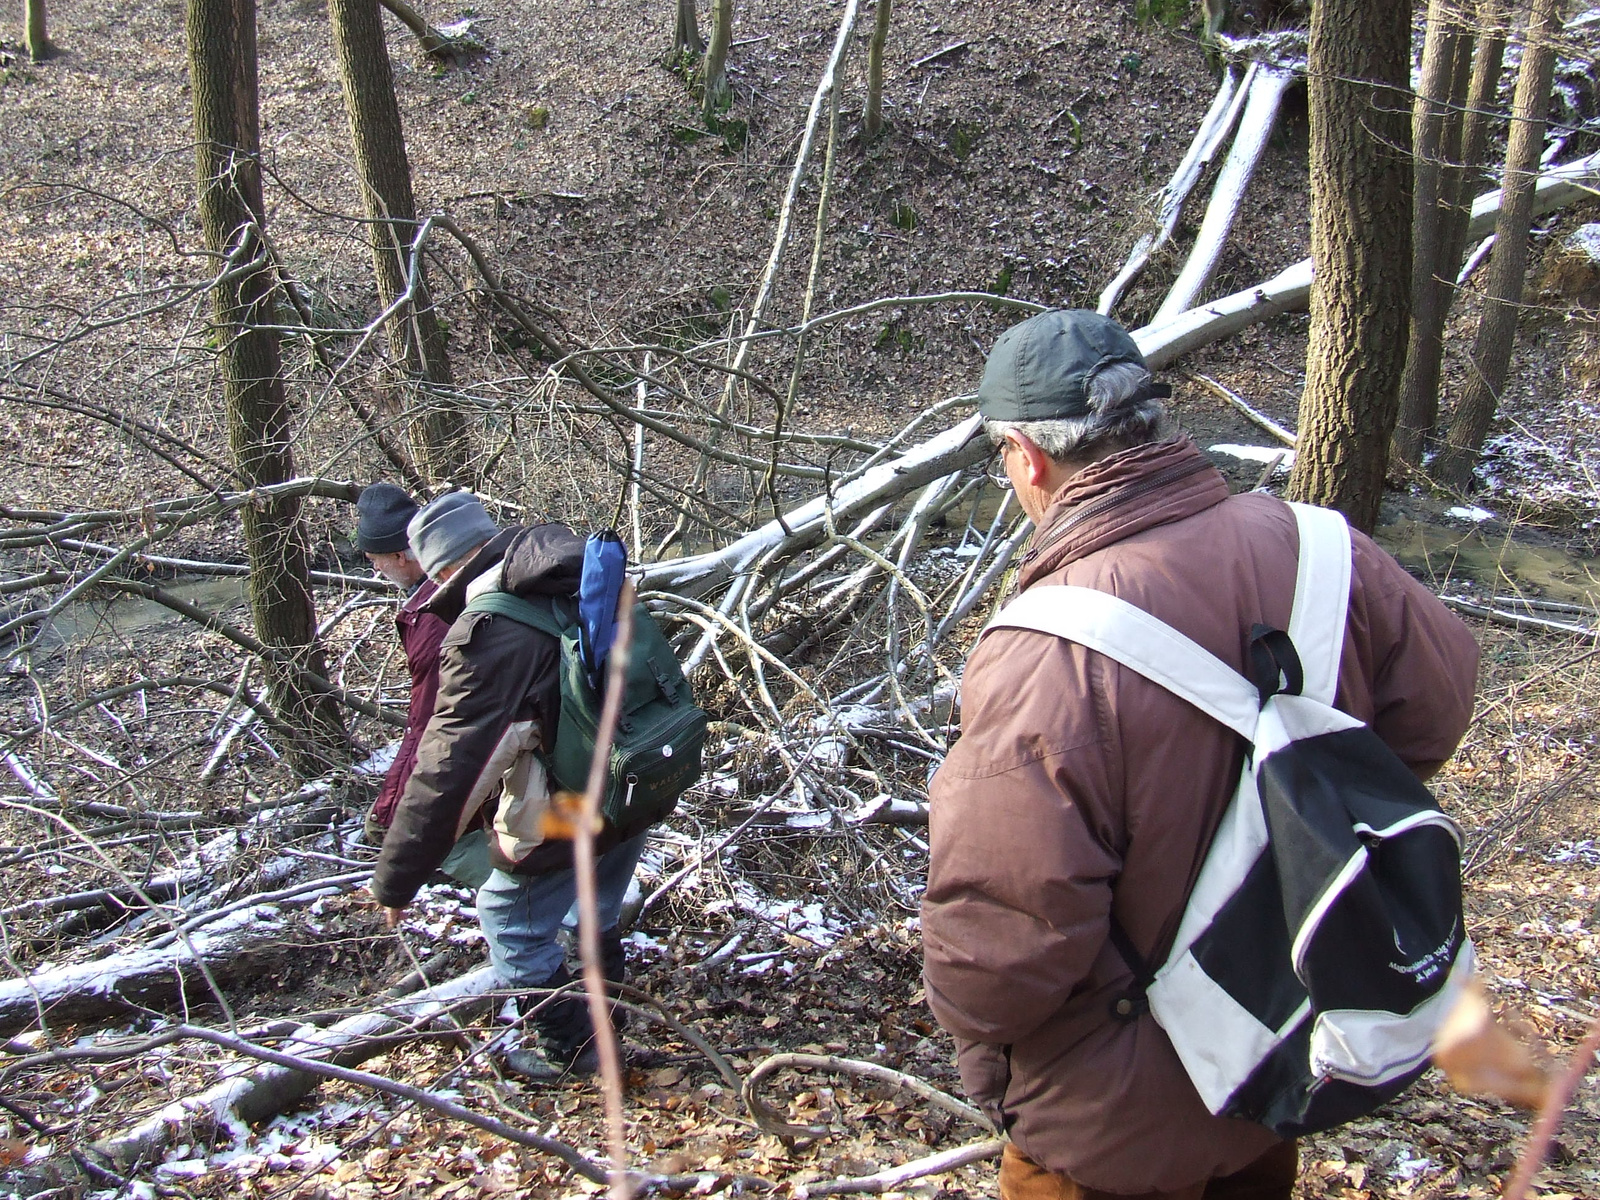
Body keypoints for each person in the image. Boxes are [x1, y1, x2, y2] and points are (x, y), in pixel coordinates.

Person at [920, 310, 1480, 1200]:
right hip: (1281, 1056)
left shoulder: (1043, 650)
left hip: (1108, 1123)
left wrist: (990, 1069)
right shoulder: (1329, 549)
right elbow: (1434, 717)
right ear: (1150, 419)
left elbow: (1004, 940)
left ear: (1026, 457)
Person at [369, 492, 648, 1082]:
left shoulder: (491, 630)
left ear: (443, 569)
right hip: (639, 775)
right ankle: (611, 1013)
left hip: (572, 801)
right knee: (591, 904)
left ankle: (579, 1055)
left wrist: (397, 878)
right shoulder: (576, 571)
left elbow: (450, 769)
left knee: (508, 918)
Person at [355, 483, 489, 890]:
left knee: (455, 841)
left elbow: (430, 723)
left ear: (401, 555)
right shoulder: (464, 586)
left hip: (491, 750)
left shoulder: (433, 619)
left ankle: (555, 921)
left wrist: (390, 810)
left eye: (376, 560)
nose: (376, 570)